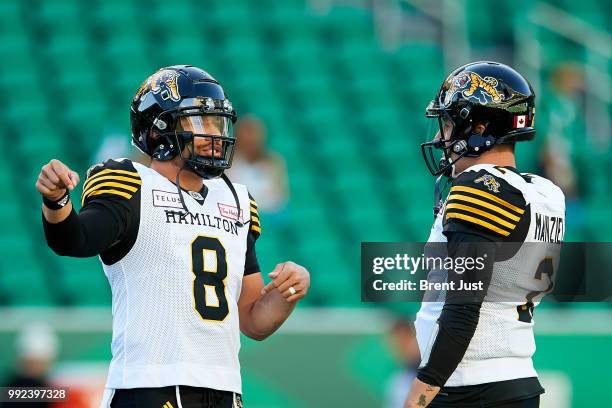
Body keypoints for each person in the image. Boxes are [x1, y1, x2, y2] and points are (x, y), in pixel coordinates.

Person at [36, 65, 310, 408]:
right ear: (161, 129)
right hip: (152, 386)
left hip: (225, 390)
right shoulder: (131, 183)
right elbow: (73, 240)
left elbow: (254, 320)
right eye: (200, 122)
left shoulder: (236, 200)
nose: (215, 134)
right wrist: (57, 201)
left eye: (217, 122)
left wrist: (289, 292)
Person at [403, 62, 565, 407]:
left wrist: (421, 391)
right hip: (517, 379)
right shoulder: (545, 193)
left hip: (469, 387)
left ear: (479, 127)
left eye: (447, 123)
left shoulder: (478, 188)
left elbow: (463, 308)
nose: (440, 137)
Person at [226, 115, 288, 216]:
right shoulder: (226, 163)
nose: (250, 139)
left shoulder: (274, 162)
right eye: (246, 133)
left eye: (253, 134)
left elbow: (280, 199)